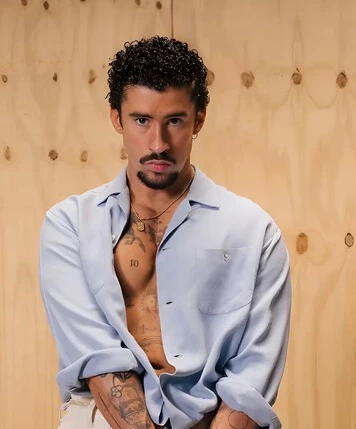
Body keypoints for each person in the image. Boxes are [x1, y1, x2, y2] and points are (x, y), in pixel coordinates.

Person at [38, 36, 292, 429]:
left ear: (199, 120)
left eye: (174, 121)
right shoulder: (70, 225)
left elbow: (250, 383)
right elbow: (100, 365)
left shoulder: (254, 232)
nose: (158, 144)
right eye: (141, 120)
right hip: (104, 419)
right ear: (116, 118)